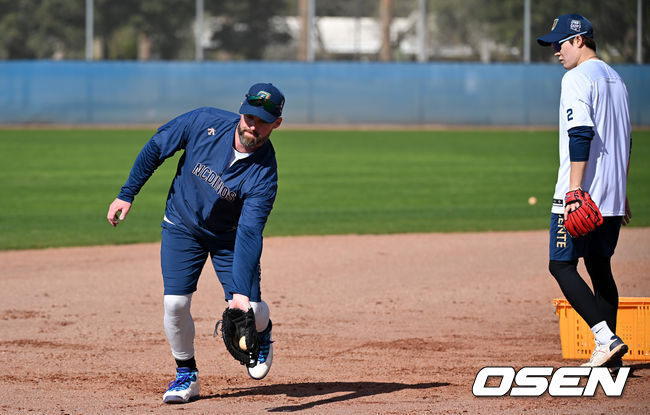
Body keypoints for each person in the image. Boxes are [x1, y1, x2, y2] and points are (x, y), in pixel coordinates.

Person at [106, 83, 285, 403]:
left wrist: (241, 296)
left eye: (262, 121)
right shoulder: (203, 121)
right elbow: (156, 147)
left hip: (229, 238)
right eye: (248, 117)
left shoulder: (264, 174)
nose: (252, 126)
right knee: (174, 304)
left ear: (277, 124)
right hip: (182, 225)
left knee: (253, 310)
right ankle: (186, 375)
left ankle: (264, 330)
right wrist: (127, 192)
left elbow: (248, 232)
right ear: (241, 111)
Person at [537, 15, 632, 368]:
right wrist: (621, 193)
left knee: (561, 265)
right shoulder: (616, 78)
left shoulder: (576, 78)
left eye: (559, 44)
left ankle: (606, 338)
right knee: (600, 266)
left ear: (579, 41)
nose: (555, 52)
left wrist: (575, 190)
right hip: (610, 195)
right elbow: (626, 140)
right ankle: (611, 359)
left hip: (581, 194)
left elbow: (581, 133)